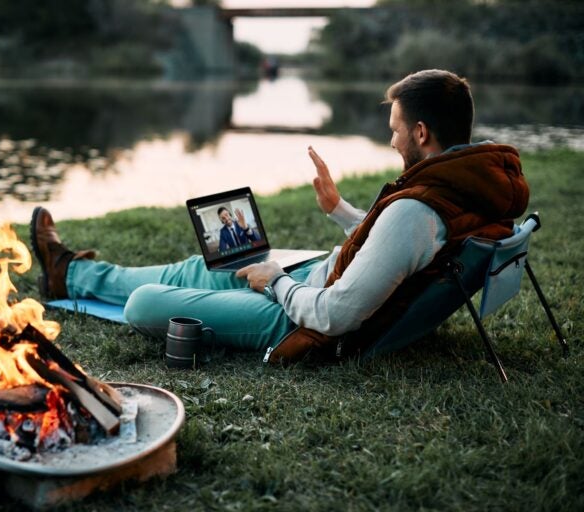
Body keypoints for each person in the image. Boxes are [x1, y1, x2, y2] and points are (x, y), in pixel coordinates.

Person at [30, 69, 529, 364]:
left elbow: (336, 315)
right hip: (316, 281)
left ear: (421, 133)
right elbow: (404, 256)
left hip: (300, 319)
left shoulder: (421, 208)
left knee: (144, 303)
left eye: (395, 129)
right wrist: (340, 211)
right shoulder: (468, 181)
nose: (391, 139)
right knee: (198, 267)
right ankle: (69, 272)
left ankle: (82, 276)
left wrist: (275, 282)